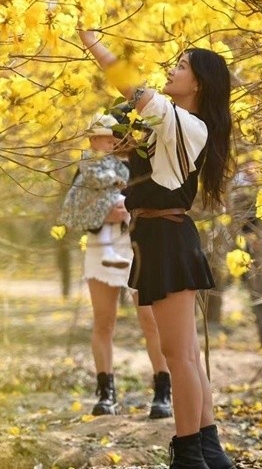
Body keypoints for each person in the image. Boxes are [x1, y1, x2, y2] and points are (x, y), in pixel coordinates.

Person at [78, 28, 235, 469]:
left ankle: (188, 453)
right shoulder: (171, 124)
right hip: (158, 238)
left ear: (199, 83)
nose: (171, 69)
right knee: (182, 353)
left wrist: (92, 41)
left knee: (179, 355)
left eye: (181, 66)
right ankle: (207, 448)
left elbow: (125, 81)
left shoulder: (183, 121)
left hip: (167, 240)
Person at [59, 112, 174, 420]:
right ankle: (105, 392)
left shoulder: (139, 166)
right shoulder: (86, 170)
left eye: (106, 136)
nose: (99, 142)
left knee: (150, 321)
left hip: (135, 247)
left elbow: (154, 205)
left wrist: (128, 212)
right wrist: (100, 214)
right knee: (103, 321)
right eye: (95, 137)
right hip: (99, 247)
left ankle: (163, 391)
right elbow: (72, 212)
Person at [60, 112, 134, 270]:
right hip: (96, 199)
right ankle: (109, 251)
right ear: (93, 140)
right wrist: (113, 179)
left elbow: (121, 171)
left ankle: (129, 235)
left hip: (109, 200)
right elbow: (94, 176)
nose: (112, 145)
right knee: (113, 213)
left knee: (125, 206)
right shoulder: (90, 158)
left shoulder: (110, 158)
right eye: (109, 142)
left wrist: (121, 179)